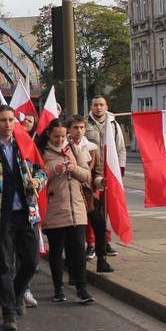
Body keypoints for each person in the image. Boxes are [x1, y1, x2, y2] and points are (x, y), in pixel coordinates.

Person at [0, 105, 47, 331]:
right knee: (5, 264)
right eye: (3, 120)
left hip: (26, 213)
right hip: (1, 215)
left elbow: (42, 170)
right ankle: (8, 311)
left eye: (11, 120)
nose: (8, 124)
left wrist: (37, 182)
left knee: (31, 262)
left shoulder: (24, 145)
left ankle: (16, 292)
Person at [37, 119, 95, 304]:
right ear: (49, 134)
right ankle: (58, 287)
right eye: (56, 136)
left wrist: (74, 168)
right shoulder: (43, 151)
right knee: (56, 249)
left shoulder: (73, 149)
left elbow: (86, 175)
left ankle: (81, 289)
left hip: (76, 207)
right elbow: (37, 175)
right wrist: (53, 170)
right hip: (55, 206)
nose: (60, 140)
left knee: (78, 248)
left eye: (63, 136)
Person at [67, 115, 113, 273]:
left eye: (81, 128)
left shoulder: (92, 148)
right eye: (75, 128)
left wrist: (100, 182)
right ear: (69, 129)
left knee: (99, 225)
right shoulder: (65, 147)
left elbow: (96, 173)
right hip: (71, 194)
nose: (79, 131)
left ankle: (102, 259)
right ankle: (72, 266)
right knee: (74, 233)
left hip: (88, 195)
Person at [85, 95, 125, 257]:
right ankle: (91, 243)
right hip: (91, 174)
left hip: (109, 173)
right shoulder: (85, 124)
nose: (98, 108)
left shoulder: (113, 124)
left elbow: (120, 148)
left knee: (108, 209)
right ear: (91, 107)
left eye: (101, 105)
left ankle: (106, 242)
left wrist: (120, 169)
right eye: (95, 105)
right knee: (91, 209)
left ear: (106, 107)